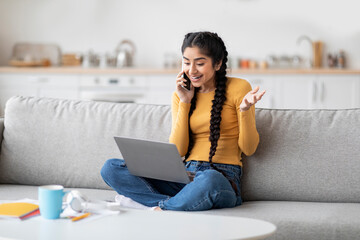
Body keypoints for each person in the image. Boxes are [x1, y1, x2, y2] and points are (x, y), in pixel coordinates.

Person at [101, 31, 265, 211]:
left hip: (221, 179)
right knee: (111, 168)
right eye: (186, 62)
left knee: (209, 178)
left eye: (200, 63)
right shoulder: (180, 95)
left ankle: (158, 206)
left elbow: (249, 149)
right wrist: (185, 101)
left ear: (217, 64)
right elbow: (179, 150)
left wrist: (244, 110)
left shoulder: (239, 88)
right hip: (184, 176)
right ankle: (174, 204)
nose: (192, 70)